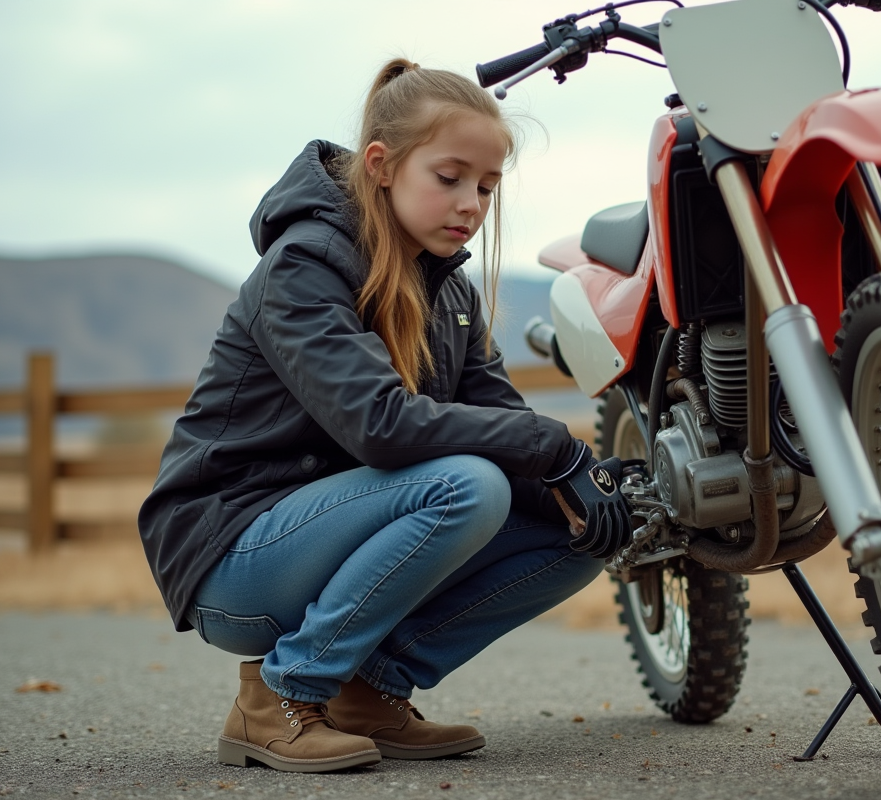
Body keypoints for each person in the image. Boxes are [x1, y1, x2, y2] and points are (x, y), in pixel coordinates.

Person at [138, 59, 634, 774]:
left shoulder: (450, 293)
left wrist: (590, 487)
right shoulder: (303, 264)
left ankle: (370, 690)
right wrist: (551, 447)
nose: (471, 203)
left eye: (488, 187)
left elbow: (501, 423)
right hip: (233, 556)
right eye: (450, 176)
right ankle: (279, 695)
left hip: (330, 536)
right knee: (468, 485)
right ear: (382, 165)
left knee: (574, 526)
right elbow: (380, 425)